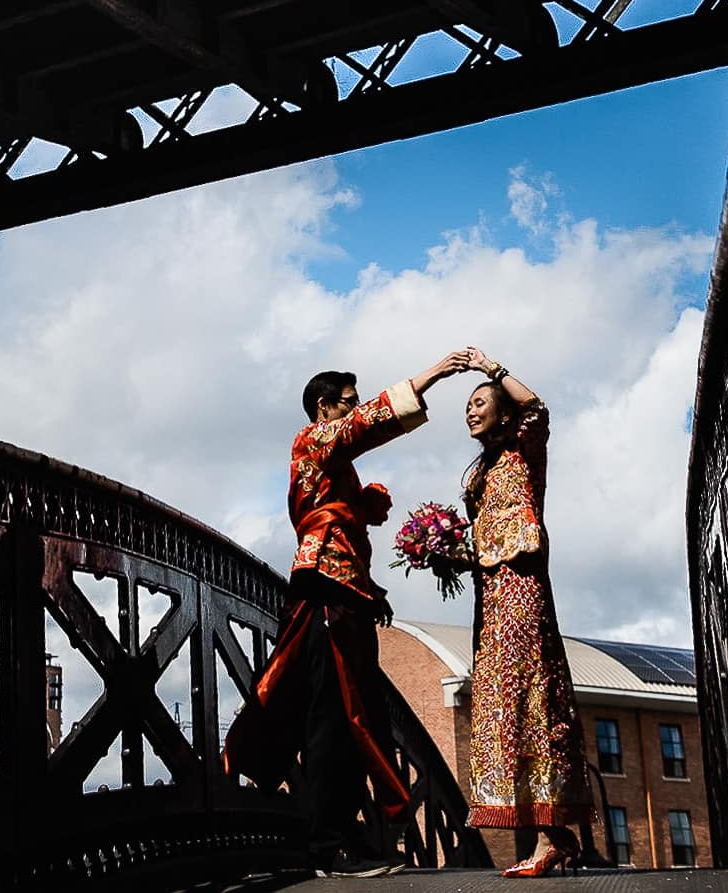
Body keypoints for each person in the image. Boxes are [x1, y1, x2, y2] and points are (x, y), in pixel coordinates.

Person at [224, 352, 472, 879]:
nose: (354, 410)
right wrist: (432, 375)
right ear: (323, 407)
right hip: (328, 599)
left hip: (344, 597)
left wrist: (373, 588)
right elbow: (366, 426)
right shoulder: (310, 439)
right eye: (348, 402)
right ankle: (329, 845)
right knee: (335, 718)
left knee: (352, 717)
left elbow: (346, 539)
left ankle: (342, 837)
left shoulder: (333, 467)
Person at [458, 347, 593, 877]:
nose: (470, 411)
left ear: (503, 412)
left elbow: (537, 408)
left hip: (522, 591)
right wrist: (447, 551)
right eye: (466, 405)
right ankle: (552, 837)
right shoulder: (482, 469)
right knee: (504, 704)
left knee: (532, 698)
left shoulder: (524, 448)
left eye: (480, 402)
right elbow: (483, 535)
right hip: (490, 597)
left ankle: (548, 839)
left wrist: (491, 369)